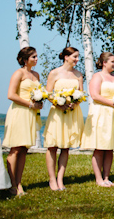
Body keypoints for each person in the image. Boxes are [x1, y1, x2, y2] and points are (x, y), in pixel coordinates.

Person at [80, 52, 114, 187]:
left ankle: (107, 177)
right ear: (104, 62)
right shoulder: (98, 76)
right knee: (100, 147)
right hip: (101, 114)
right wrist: (113, 104)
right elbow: (95, 95)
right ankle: (98, 179)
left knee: (110, 148)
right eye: (112, 62)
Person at [2, 47, 44, 196]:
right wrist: (30, 104)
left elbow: (38, 93)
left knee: (24, 149)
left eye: (37, 56)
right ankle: (11, 184)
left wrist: (39, 103)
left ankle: (19, 184)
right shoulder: (18, 73)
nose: (36, 59)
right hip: (19, 112)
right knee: (16, 148)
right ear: (25, 59)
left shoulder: (36, 74)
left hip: (31, 114)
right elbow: (11, 95)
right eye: (34, 57)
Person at [43, 47, 85, 191]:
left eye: (78, 57)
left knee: (65, 147)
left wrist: (76, 102)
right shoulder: (54, 73)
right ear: (66, 57)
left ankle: (60, 179)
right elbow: (48, 94)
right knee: (52, 146)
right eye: (74, 57)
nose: (77, 60)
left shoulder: (79, 75)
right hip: (57, 113)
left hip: (72, 113)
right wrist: (58, 103)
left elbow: (81, 94)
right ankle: (52, 180)